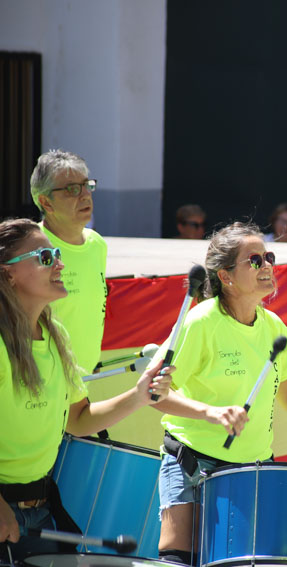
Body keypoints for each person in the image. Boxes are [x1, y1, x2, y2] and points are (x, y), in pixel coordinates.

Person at [150, 222, 287, 566]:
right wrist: (211, 413)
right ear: (226, 276)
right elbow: (155, 393)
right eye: (254, 260)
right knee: (178, 559)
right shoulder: (200, 322)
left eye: (269, 257)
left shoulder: (274, 326)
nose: (267, 266)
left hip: (253, 468)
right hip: (191, 462)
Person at [0, 218, 171, 562]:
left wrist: (139, 395)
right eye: (45, 257)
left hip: (40, 509)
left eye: (58, 254)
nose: (60, 264)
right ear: (8, 274)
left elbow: (78, 419)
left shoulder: (57, 335)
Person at [29, 149, 107, 373]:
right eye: (72, 189)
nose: (85, 195)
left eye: (86, 185)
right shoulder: (30, 249)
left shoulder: (97, 244)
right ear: (46, 202)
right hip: (43, 378)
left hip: (84, 378)